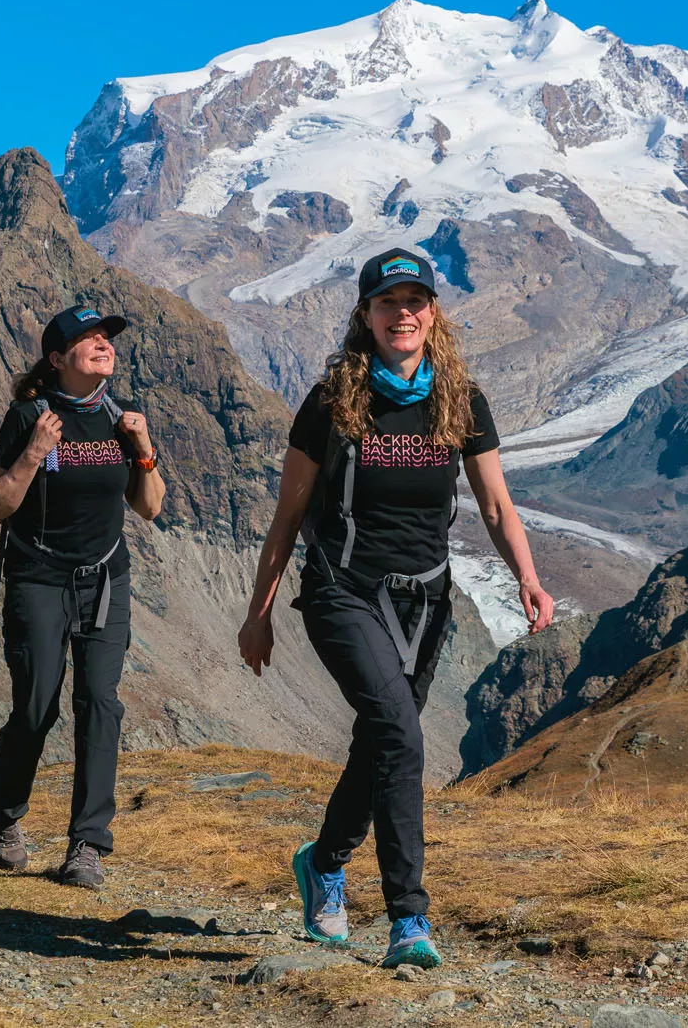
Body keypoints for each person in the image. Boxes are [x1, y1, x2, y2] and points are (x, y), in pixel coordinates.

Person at [237, 248, 555, 968]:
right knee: (402, 741)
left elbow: (497, 504)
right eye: (388, 303)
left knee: (383, 740)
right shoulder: (332, 402)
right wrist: (258, 613)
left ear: (432, 313)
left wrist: (528, 578)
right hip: (342, 591)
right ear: (366, 316)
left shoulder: (460, 399)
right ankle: (409, 920)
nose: (402, 314)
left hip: (428, 599)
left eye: (415, 301)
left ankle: (324, 860)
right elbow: (288, 515)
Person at [0, 305, 166, 889]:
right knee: (37, 705)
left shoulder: (117, 416)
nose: (103, 344)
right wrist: (33, 452)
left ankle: (88, 845)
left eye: (106, 337)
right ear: (57, 359)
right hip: (39, 577)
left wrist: (144, 446)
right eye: (88, 338)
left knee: (100, 703)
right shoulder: (28, 415)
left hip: (107, 579)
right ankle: (2, 810)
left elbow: (150, 505)